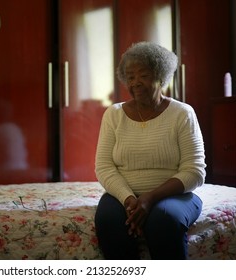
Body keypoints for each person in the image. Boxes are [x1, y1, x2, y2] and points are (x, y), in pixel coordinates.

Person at [94, 41, 206, 260]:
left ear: (161, 76)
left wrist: (150, 198)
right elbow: (104, 166)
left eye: (143, 75)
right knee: (109, 221)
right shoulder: (113, 114)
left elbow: (195, 171)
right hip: (122, 195)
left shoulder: (182, 113)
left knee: (164, 220)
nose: (135, 83)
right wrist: (129, 199)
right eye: (130, 76)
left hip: (173, 195)